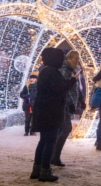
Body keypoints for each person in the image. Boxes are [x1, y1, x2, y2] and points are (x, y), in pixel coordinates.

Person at [30, 48, 78, 182]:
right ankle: (45, 171)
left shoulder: (45, 70)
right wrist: (72, 80)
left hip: (44, 110)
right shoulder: (52, 72)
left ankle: (37, 169)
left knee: (43, 141)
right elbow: (61, 88)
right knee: (50, 141)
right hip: (51, 111)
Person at [51, 50, 82, 166]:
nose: (77, 62)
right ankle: (54, 156)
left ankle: (54, 156)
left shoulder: (71, 70)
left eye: (78, 60)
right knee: (66, 128)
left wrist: (81, 100)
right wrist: (71, 103)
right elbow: (65, 89)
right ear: (69, 59)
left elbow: (76, 88)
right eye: (75, 60)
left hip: (67, 104)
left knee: (62, 130)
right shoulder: (64, 71)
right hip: (63, 104)